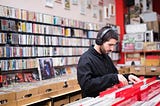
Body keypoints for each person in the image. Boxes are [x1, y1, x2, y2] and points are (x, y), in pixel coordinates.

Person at [77, 26, 141, 98]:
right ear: (100, 41)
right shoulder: (85, 59)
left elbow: (114, 76)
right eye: (110, 45)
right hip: (94, 101)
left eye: (113, 45)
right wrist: (114, 78)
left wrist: (128, 77)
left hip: (109, 98)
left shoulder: (106, 57)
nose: (112, 49)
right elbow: (86, 85)